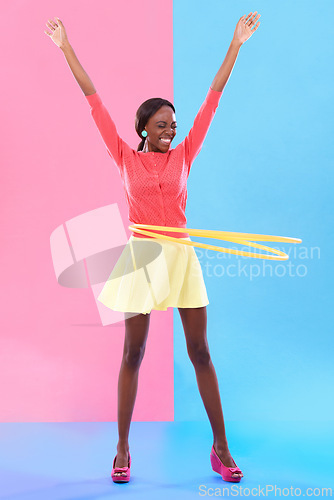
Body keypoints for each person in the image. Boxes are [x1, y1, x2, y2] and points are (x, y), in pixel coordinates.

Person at [45, 11, 260, 483]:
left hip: (181, 256)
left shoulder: (185, 154)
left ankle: (221, 448)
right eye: (162, 124)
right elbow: (92, 98)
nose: (172, 129)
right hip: (142, 256)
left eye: (174, 124)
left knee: (200, 351)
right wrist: (65, 48)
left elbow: (213, 100)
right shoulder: (123, 155)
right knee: (132, 355)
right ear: (143, 127)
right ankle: (122, 449)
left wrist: (236, 44)